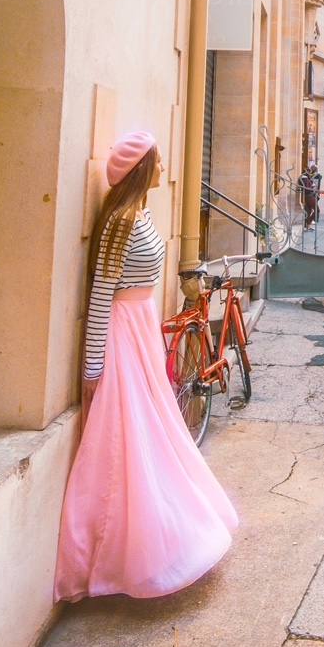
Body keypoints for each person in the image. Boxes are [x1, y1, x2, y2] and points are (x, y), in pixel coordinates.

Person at [54, 131, 237, 602]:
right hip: (121, 335)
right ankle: (121, 553)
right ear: (140, 169)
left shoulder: (139, 216)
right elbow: (99, 299)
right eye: (156, 162)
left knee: (149, 432)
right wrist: (93, 369)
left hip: (137, 329)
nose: (162, 168)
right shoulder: (121, 222)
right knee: (126, 440)